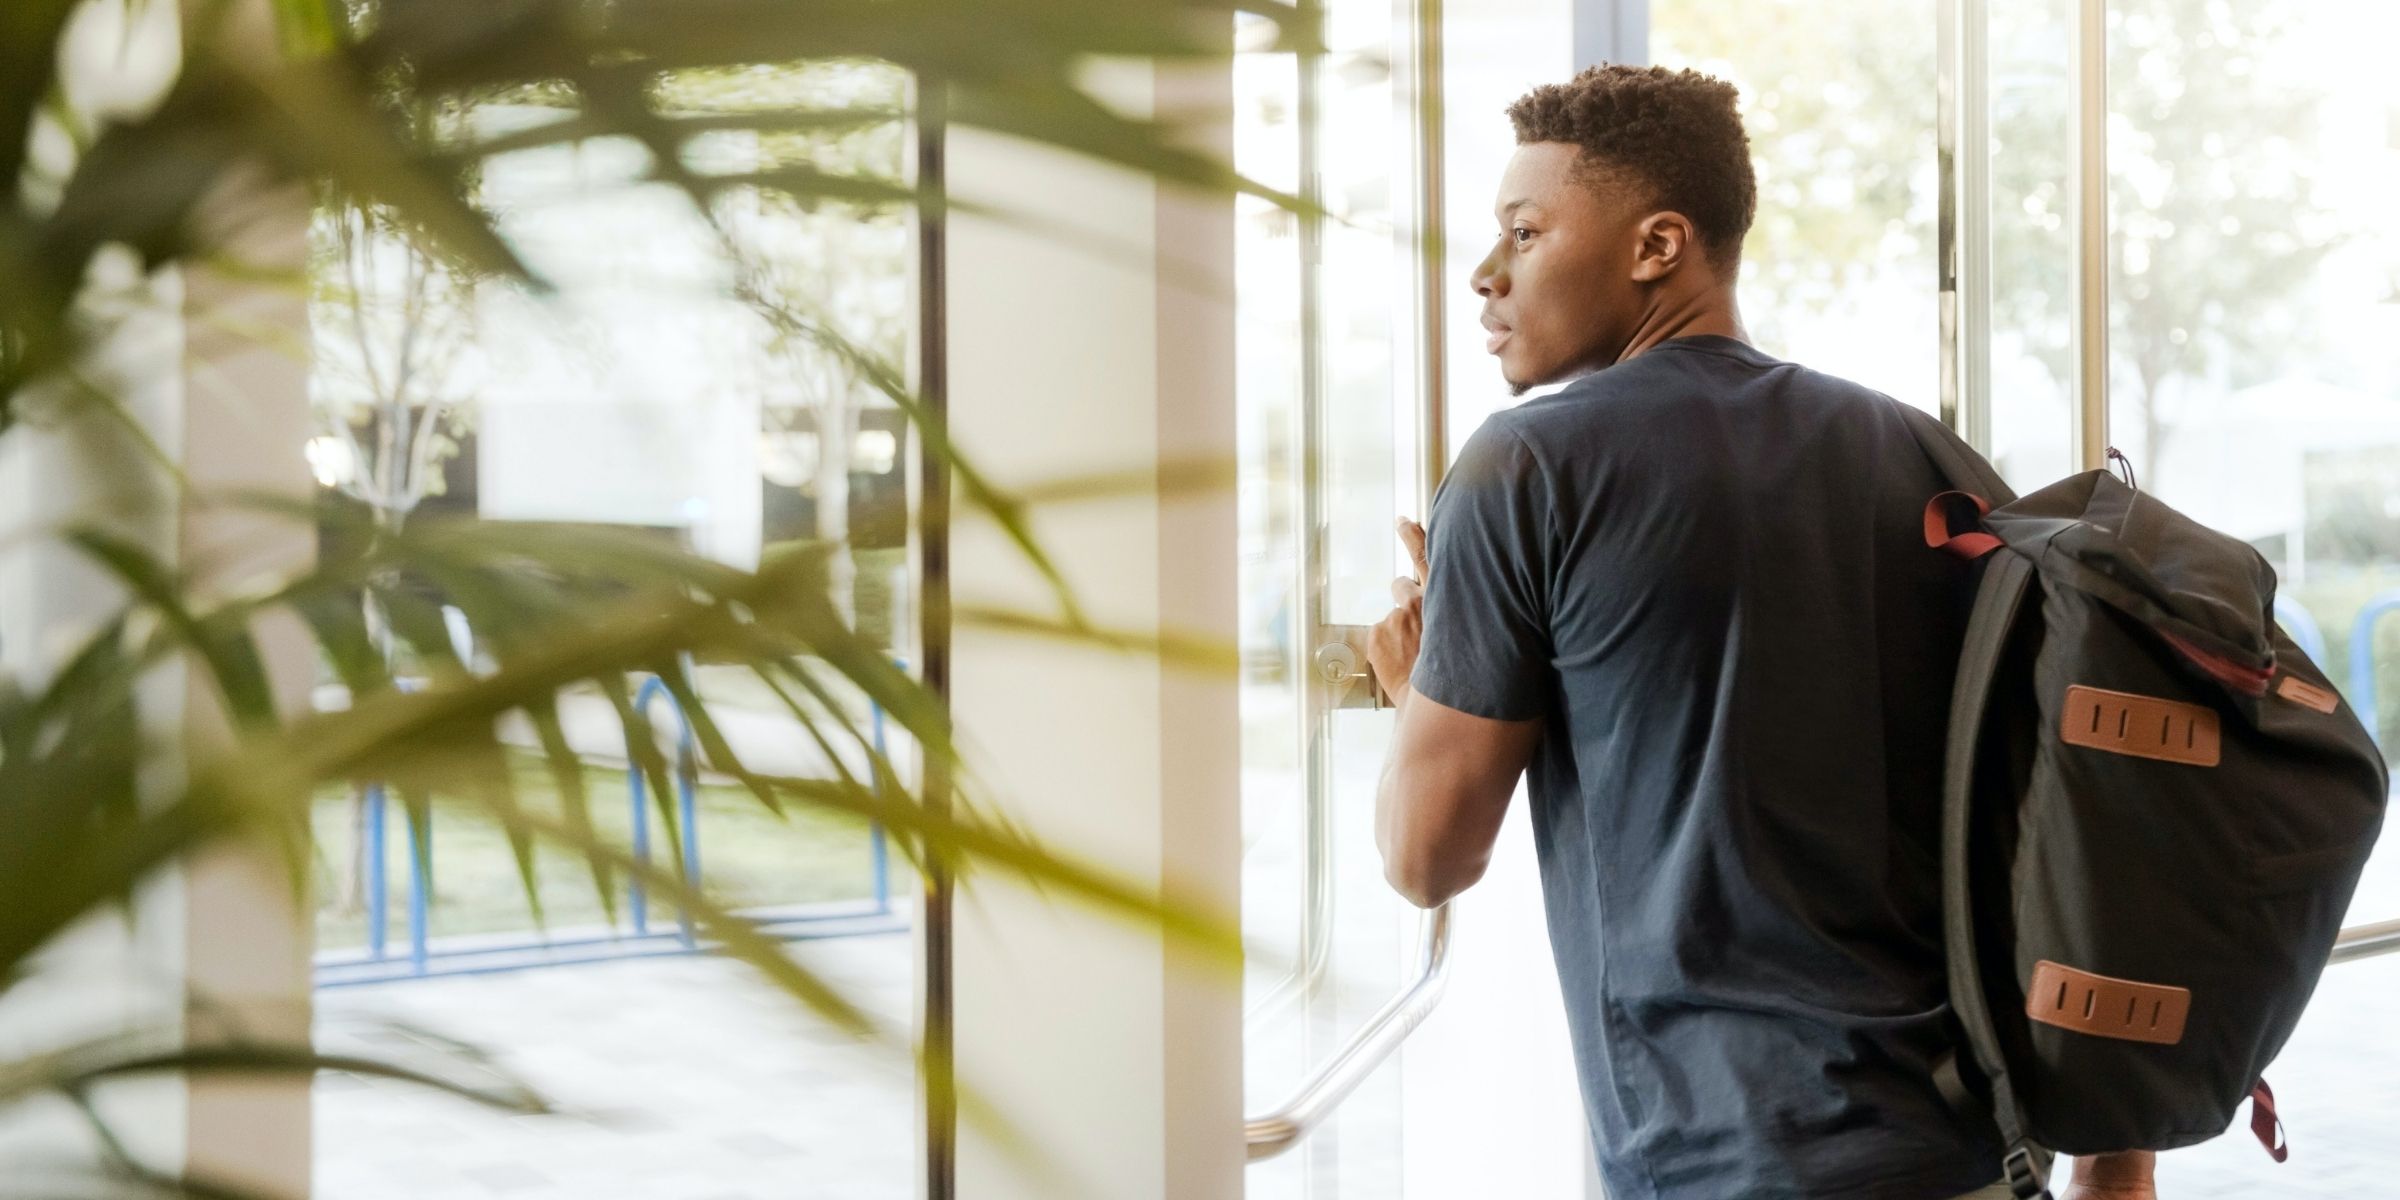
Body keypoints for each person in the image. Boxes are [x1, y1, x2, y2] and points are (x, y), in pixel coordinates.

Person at [1362, 64, 2158, 1200]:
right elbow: (2075, 808)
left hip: (1729, 1164)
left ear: (1658, 245)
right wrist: (2117, 1164)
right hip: (1972, 1150)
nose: (1486, 277)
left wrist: (1418, 688)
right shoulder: (1929, 460)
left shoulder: (1524, 467)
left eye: (1525, 233)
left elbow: (1424, 858)